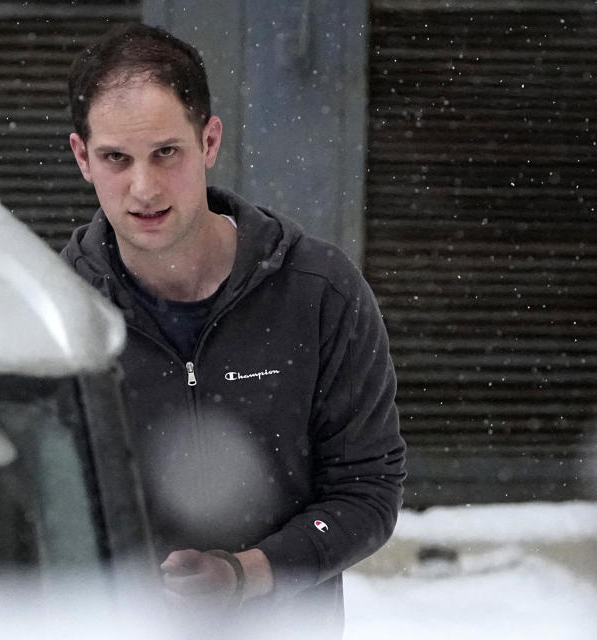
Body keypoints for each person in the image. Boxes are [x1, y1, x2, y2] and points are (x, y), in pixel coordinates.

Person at [61, 23, 406, 634]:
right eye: (117, 157)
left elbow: (366, 491)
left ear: (210, 140)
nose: (144, 188)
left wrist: (248, 574)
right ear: (83, 157)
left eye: (167, 152)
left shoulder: (319, 292)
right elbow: (30, 510)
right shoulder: (59, 312)